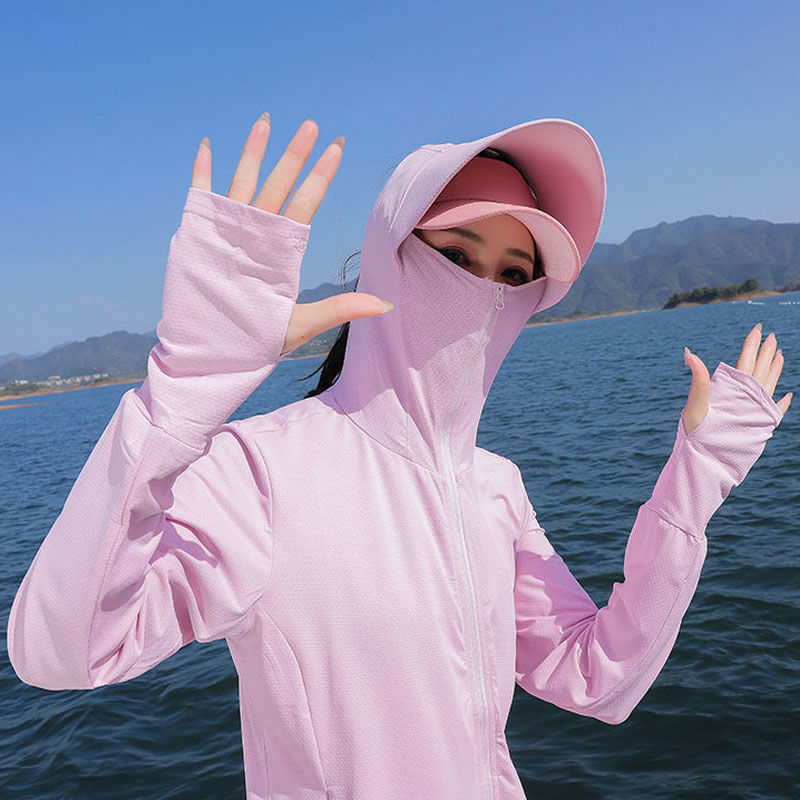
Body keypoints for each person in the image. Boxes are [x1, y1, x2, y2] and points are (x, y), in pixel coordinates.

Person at [7, 114, 792, 800]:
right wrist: (184, 393)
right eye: (458, 253)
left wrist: (694, 487)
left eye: (514, 274)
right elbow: (64, 650)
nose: (486, 292)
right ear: (390, 254)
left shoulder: (496, 488)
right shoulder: (262, 471)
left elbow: (600, 679)